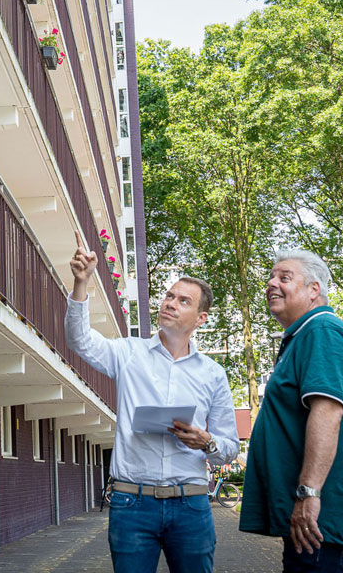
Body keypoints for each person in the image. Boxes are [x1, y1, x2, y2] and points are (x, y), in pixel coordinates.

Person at [66, 232, 239, 573]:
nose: (170, 303)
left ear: (201, 319)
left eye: (183, 301)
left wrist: (207, 442)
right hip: (131, 504)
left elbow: (229, 446)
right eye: (169, 296)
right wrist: (81, 283)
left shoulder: (213, 374)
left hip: (191, 505)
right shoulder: (129, 353)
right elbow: (79, 340)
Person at [238, 250, 343, 573]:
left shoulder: (321, 332)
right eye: (271, 276)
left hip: (323, 525)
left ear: (313, 290)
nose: (271, 283)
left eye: (284, 277)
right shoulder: (307, 335)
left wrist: (308, 493)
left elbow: (328, 413)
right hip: (324, 526)